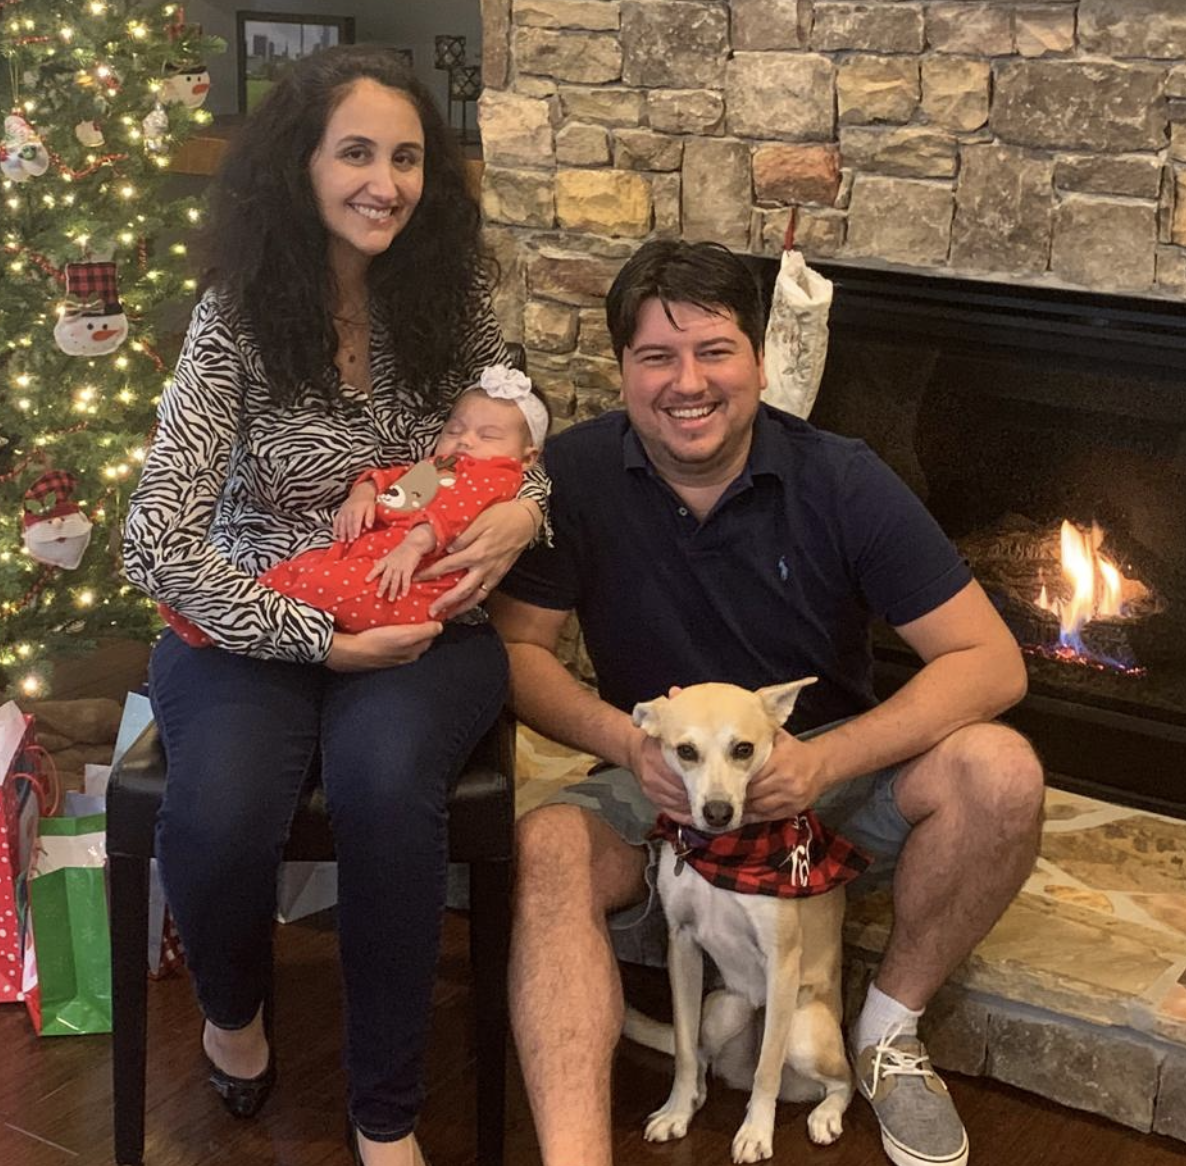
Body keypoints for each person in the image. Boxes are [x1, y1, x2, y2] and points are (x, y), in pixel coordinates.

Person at [490, 239, 1044, 1166]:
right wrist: (627, 746)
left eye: (714, 351)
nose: (687, 383)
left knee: (1002, 769)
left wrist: (825, 761)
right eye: (656, 357)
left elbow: (991, 664)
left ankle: (887, 1031)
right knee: (547, 847)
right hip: (662, 783)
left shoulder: (843, 478)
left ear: (758, 358)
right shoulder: (573, 476)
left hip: (825, 779)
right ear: (623, 369)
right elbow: (514, 651)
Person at [122, 46, 546, 1166]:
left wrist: (523, 512)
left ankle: (385, 1111)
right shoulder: (235, 319)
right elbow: (154, 539)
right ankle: (233, 1011)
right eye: (356, 153)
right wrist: (319, 639)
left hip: (425, 623)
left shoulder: (450, 301)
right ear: (298, 165)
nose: (385, 183)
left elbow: (515, 439)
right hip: (255, 613)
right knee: (220, 812)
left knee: (385, 784)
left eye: (407, 158)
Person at [157, 364, 549, 644]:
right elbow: (399, 489)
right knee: (301, 570)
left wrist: (414, 545)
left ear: (528, 457)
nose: (465, 440)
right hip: (368, 561)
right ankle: (221, 611)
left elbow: (456, 511)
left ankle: (224, 621)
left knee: (316, 588)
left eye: (488, 436)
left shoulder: (495, 474)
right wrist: (365, 492)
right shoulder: (444, 466)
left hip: (408, 586)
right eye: (454, 429)